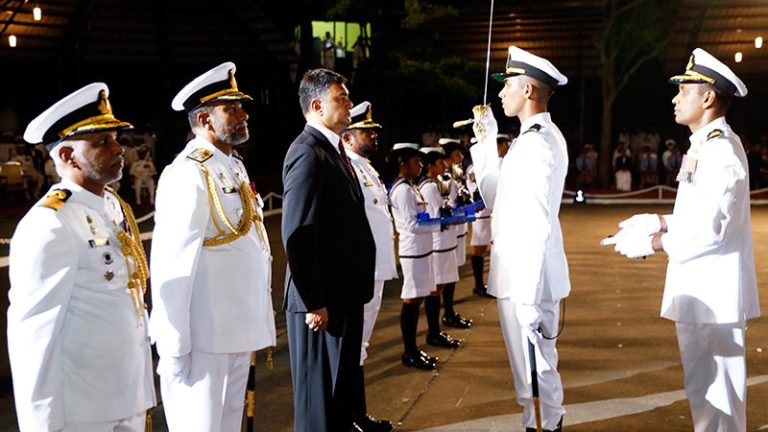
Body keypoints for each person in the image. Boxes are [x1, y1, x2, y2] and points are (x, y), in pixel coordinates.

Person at [604, 48, 758, 432]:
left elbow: (710, 229)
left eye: (684, 90)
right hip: (702, 291)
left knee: (716, 402)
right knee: (705, 395)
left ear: (707, 97)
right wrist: (659, 219)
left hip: (711, 296)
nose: (675, 98)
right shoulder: (705, 144)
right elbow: (700, 214)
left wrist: (654, 243)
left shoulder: (719, 150)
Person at [8, 83, 155, 431]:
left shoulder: (113, 205)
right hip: (80, 409)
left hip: (126, 393)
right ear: (67, 156)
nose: (118, 147)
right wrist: (41, 423)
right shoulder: (50, 222)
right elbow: (33, 336)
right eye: (102, 142)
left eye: (115, 137)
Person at [149, 62, 276, 432]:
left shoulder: (231, 166)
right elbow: (172, 264)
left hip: (234, 330)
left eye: (240, 106)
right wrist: (173, 347)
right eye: (231, 109)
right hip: (203, 338)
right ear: (204, 119)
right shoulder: (188, 172)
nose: (243, 113)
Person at [470, 45, 570, 432]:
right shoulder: (528, 140)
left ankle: (545, 427)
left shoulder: (538, 143)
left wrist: (528, 294)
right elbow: (499, 199)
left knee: (538, 372)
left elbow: (536, 224)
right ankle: (534, 424)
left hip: (528, 279)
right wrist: (485, 143)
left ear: (528, 90)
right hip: (518, 276)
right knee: (526, 374)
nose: (500, 93)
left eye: (508, 84)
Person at [282, 68, 376, 432]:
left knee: (339, 398)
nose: (349, 103)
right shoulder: (307, 152)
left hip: (343, 296)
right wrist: (314, 300)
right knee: (319, 405)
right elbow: (298, 233)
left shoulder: (332, 149)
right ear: (318, 105)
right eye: (342, 98)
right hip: (320, 304)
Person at [340, 101, 396, 432]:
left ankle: (357, 415)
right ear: (347, 138)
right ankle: (351, 417)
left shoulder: (366, 168)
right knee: (353, 347)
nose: (374, 135)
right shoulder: (347, 168)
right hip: (361, 270)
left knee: (360, 348)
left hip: (374, 269)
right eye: (366, 131)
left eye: (374, 131)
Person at [387, 143, 440, 370]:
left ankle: (414, 349)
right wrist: (439, 223)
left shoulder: (411, 187)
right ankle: (409, 351)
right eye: (415, 162)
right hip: (413, 250)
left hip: (422, 249)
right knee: (411, 300)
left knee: (418, 298)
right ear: (403, 165)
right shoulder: (402, 190)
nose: (420, 166)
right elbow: (411, 225)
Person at [418, 146, 465, 347]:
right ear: (430, 166)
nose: (443, 165)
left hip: (446, 241)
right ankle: (433, 331)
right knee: (435, 288)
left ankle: (441, 324)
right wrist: (452, 217)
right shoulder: (429, 187)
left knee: (444, 283)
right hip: (438, 242)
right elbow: (435, 216)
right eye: (439, 163)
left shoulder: (439, 183)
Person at [466, 133, 511, 297]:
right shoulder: (480, 166)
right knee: (479, 248)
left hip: (494, 213)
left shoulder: (499, 162)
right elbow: (474, 190)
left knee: (493, 248)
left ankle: (493, 284)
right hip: (482, 212)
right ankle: (479, 284)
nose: (507, 147)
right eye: (505, 144)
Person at [437, 138, 473, 329]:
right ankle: (447, 313)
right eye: (457, 154)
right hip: (446, 233)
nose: (461, 158)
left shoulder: (456, 174)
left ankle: (449, 311)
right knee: (444, 278)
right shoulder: (442, 178)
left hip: (457, 230)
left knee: (452, 274)